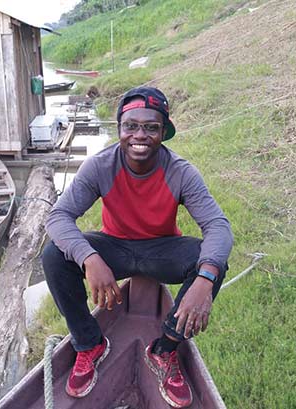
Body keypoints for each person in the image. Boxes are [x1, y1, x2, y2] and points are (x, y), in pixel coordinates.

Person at [42, 86, 233, 408]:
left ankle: (165, 348)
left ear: (163, 133)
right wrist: (90, 258)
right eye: (131, 126)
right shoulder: (100, 166)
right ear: (119, 129)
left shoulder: (181, 172)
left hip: (161, 250)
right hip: (113, 247)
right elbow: (59, 216)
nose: (139, 135)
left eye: (151, 127)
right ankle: (89, 344)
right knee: (54, 255)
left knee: (211, 262)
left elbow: (217, 225)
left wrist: (206, 278)